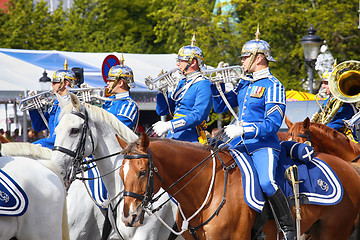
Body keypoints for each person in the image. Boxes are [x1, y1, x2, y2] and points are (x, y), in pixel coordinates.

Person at [211, 26, 295, 240]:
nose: (241, 61)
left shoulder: (273, 85)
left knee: (266, 182)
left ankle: (287, 229)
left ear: (259, 58)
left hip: (262, 144)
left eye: (245, 57)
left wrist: (244, 129)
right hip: (237, 143)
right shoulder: (244, 84)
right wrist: (218, 84)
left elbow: (273, 124)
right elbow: (221, 108)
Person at [152, 33, 213, 144]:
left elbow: (198, 115)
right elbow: (163, 111)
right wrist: (162, 91)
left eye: (181, 60)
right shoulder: (181, 83)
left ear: (193, 62)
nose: (177, 64)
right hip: (173, 135)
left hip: (191, 137)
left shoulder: (203, 84)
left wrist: (171, 124)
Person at [29, 67, 78, 149]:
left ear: (65, 83)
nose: (52, 85)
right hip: (55, 148)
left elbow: (65, 135)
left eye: (55, 82)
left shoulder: (74, 103)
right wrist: (33, 108)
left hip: (67, 149)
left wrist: (41, 144)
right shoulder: (56, 104)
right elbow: (38, 126)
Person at [312, 69, 358, 142]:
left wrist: (318, 130)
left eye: (326, 83)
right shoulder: (327, 101)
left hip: (345, 142)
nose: (323, 86)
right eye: (323, 83)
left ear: (334, 84)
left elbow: (336, 124)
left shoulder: (345, 103)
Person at [102, 55, 139, 131]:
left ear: (120, 83)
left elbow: (117, 129)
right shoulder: (110, 100)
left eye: (110, 80)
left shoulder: (129, 104)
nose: (107, 83)